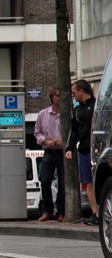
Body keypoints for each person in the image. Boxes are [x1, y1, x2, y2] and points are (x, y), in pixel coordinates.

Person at [65, 79, 99, 226]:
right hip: (84, 151)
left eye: (74, 92)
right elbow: (74, 131)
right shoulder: (77, 110)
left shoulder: (97, 105)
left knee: (99, 181)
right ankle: (95, 214)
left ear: (81, 91)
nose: (73, 95)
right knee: (88, 184)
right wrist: (69, 148)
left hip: (97, 149)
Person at [33, 87, 64, 222]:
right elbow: (37, 132)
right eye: (57, 96)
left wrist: (63, 141)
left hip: (63, 151)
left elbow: (73, 132)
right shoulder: (43, 114)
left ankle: (61, 212)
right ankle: (47, 211)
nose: (59, 98)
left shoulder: (68, 114)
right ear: (52, 97)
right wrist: (46, 141)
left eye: (61, 96)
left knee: (63, 183)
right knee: (45, 180)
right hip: (49, 151)